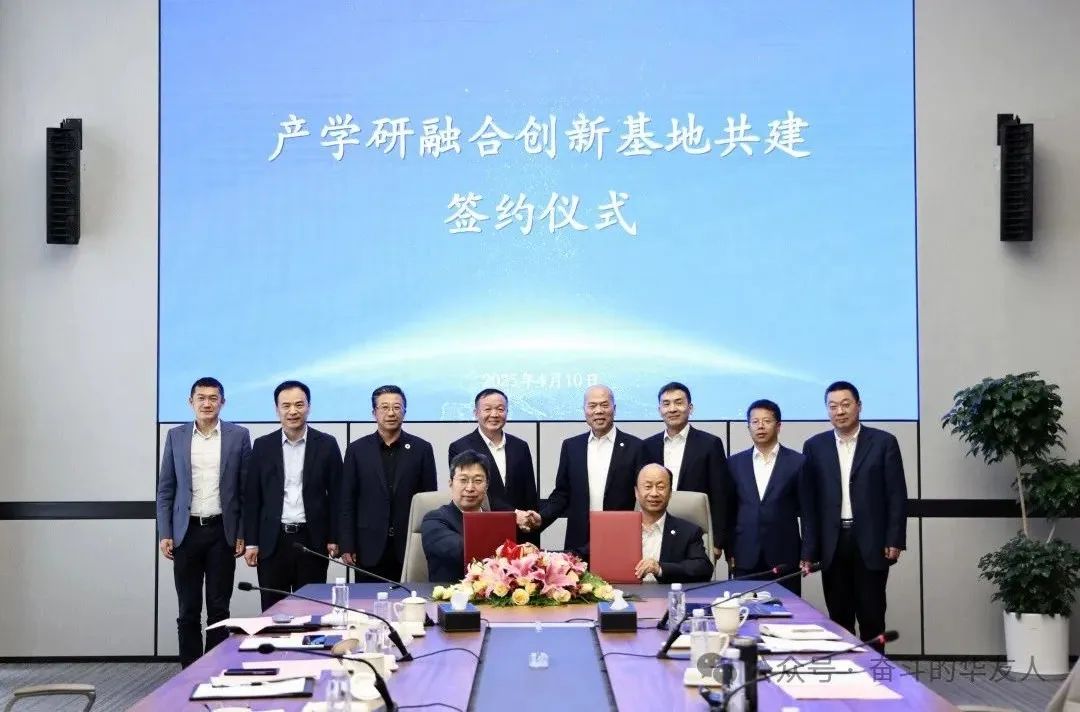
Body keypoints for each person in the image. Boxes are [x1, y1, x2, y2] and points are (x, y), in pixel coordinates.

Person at [802, 381, 907, 651]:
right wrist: (809, 550)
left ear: (859, 406)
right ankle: (847, 670)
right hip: (833, 543)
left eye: (845, 404)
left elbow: (896, 494)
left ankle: (874, 670)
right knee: (839, 617)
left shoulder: (883, 442)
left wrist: (895, 538)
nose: (839, 411)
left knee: (872, 616)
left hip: (871, 542)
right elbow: (809, 504)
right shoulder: (814, 446)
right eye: (833, 406)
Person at [155, 377, 250, 668]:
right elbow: (166, 489)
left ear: (222, 402)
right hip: (186, 533)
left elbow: (245, 490)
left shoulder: (239, 435)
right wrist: (165, 532)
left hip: (223, 532)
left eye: (213, 398)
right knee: (188, 609)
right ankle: (190, 671)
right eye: (201, 398)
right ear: (191, 402)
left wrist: (242, 532)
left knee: (219, 609)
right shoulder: (176, 436)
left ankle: (214, 668)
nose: (207, 403)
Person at [243, 380, 343, 610]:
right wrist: (251, 543)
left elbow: (337, 495)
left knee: (311, 610)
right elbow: (253, 498)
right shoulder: (263, 446)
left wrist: (334, 537)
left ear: (309, 407)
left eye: (299, 404)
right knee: (272, 610)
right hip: (272, 541)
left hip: (312, 540)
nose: (293, 411)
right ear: (277, 409)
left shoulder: (326, 444)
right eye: (286, 405)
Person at [531, 385, 642, 555]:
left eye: (604, 405)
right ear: (584, 410)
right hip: (578, 539)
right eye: (592, 406)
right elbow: (562, 493)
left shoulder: (636, 447)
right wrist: (542, 517)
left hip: (619, 535)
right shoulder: (572, 446)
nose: (598, 411)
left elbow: (643, 496)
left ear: (614, 408)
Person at [340, 385, 437, 582]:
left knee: (411, 600)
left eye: (397, 407)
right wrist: (347, 543)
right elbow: (347, 500)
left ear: (404, 412)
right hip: (368, 547)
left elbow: (428, 502)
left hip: (409, 546)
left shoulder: (422, 449)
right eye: (384, 407)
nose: (391, 413)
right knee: (368, 599)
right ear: (374, 413)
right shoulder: (357, 450)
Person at [726, 399, 815, 595]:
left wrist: (807, 553)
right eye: (755, 421)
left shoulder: (798, 462)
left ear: (778, 426)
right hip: (745, 554)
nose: (760, 426)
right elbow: (729, 511)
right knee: (744, 609)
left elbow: (809, 513)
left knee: (786, 610)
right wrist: (729, 550)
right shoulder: (734, 463)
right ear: (748, 427)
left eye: (766, 421)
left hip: (784, 555)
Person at [642, 381, 730, 558]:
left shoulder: (710, 444)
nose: (672, 409)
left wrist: (717, 541)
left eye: (678, 402)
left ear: (690, 408)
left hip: (696, 533)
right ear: (659, 410)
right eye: (666, 404)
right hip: (657, 532)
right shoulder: (648, 446)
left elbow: (720, 494)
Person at [448, 388, 539, 543]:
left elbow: (529, 491)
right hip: (483, 527)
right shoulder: (460, 447)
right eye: (487, 409)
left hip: (521, 531)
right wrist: (513, 514)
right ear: (476, 413)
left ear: (507, 412)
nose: (494, 414)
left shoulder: (520, 446)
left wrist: (530, 519)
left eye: (500, 409)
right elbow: (472, 492)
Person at [632, 463, 713, 583]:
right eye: (648, 487)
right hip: (625, 594)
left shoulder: (688, 531)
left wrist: (660, 569)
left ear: (670, 493)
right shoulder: (620, 529)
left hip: (667, 593)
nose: (654, 493)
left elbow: (703, 568)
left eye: (660, 487)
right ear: (636, 492)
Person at [421, 449, 493, 582]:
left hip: (492, 593)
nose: (470, 488)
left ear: (487, 485)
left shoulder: (496, 521)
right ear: (451, 483)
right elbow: (461, 551)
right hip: (449, 593)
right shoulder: (434, 520)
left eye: (478, 481)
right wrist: (505, 551)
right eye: (463, 480)